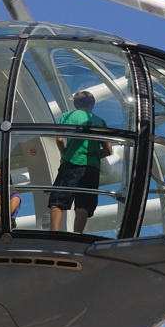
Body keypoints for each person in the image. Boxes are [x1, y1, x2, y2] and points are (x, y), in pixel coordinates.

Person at [48, 90, 114, 233]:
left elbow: (59, 140)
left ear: (75, 104)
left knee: (57, 202)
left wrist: (65, 154)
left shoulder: (67, 116)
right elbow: (109, 150)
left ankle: (54, 233)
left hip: (71, 163)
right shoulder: (100, 122)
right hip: (92, 167)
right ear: (92, 104)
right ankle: (77, 234)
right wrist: (94, 156)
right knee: (83, 204)